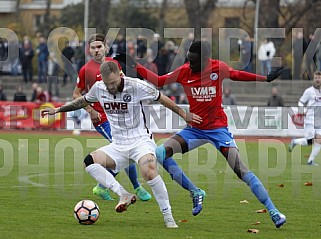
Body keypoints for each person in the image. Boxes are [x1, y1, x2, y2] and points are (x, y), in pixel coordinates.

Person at [114, 40, 287, 228]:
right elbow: (158, 81)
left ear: (205, 60)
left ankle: (274, 211)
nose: (190, 64)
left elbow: (238, 75)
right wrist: (134, 64)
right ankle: (195, 191)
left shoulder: (217, 68)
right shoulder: (184, 71)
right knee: (160, 153)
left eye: (194, 61)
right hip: (195, 129)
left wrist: (265, 78)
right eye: (189, 59)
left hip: (218, 129)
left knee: (241, 170)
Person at [42, 61, 202, 228]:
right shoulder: (99, 87)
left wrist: (184, 114)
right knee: (89, 162)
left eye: (113, 83)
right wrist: (59, 110)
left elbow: (161, 98)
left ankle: (169, 218)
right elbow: (82, 101)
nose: (110, 87)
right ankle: (123, 194)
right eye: (106, 83)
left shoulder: (136, 85)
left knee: (149, 171)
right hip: (118, 145)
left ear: (120, 74)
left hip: (141, 141)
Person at [73, 33, 151, 202]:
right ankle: (136, 187)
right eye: (93, 47)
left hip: (119, 116)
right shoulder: (86, 69)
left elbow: (125, 84)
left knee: (128, 149)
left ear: (106, 47)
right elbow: (76, 94)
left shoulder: (114, 64)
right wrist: (90, 110)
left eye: (99, 47)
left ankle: (102, 187)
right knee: (126, 148)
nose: (96, 50)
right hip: (102, 119)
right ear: (89, 50)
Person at [288, 71, 321, 166]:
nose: (317, 79)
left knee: (319, 139)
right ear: (313, 79)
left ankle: (310, 160)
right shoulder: (309, 91)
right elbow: (301, 102)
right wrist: (302, 111)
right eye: (316, 78)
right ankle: (295, 141)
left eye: (319, 78)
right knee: (310, 141)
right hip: (310, 119)